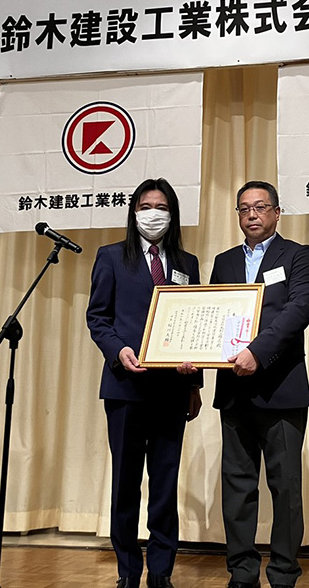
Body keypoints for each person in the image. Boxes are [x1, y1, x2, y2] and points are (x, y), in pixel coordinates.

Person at [87, 178, 202, 588]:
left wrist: (195, 384)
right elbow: (97, 318)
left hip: (172, 391)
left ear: (173, 214)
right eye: (146, 206)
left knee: (165, 485)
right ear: (134, 212)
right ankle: (127, 570)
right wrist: (118, 350)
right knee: (126, 483)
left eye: (162, 207)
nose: (154, 214)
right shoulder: (111, 256)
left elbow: (195, 322)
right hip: (126, 388)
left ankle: (161, 570)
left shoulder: (187, 262)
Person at [210, 180, 309, 588]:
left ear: (276, 212)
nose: (251, 214)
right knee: (237, 488)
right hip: (233, 390)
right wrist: (192, 356)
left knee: (285, 487)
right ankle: (241, 574)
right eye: (244, 208)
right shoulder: (224, 261)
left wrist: (258, 352)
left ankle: (284, 574)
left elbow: (300, 307)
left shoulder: (296, 255)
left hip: (281, 389)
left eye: (260, 206)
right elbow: (211, 314)